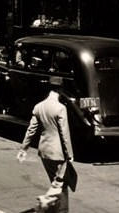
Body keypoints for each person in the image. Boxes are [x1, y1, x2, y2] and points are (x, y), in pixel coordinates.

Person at [18, 80, 77, 213]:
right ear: (60, 91)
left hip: (44, 152)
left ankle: (51, 207)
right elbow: (64, 133)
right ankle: (54, 208)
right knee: (62, 185)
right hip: (58, 154)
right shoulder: (61, 108)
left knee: (55, 183)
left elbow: (31, 130)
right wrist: (70, 155)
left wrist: (23, 148)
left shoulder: (39, 106)